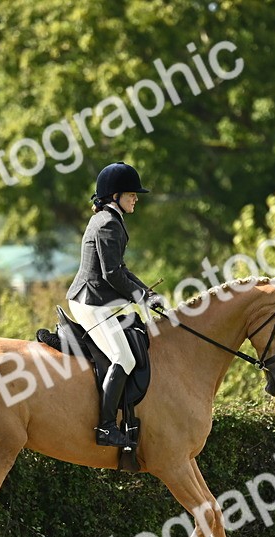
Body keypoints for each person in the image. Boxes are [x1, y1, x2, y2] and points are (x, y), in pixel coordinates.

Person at [66, 161, 167, 447]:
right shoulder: (108, 223)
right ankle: (106, 427)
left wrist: (146, 293)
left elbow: (120, 269)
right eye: (131, 194)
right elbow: (112, 275)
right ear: (114, 197)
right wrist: (140, 297)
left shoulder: (110, 220)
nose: (136, 198)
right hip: (91, 302)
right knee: (124, 357)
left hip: (99, 299)